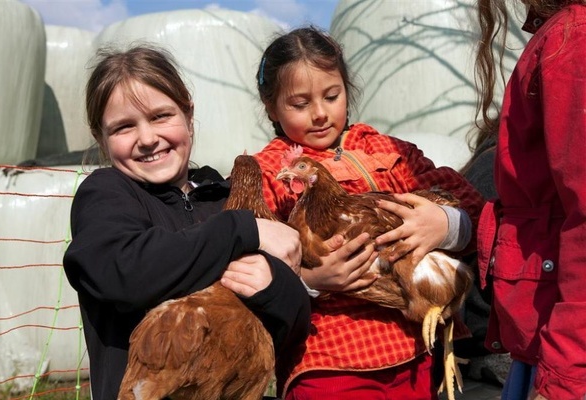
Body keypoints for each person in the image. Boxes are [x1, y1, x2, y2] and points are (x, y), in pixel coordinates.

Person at [62, 45, 312, 399]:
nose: (147, 139)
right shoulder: (106, 195)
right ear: (100, 137)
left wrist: (274, 288)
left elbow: (297, 319)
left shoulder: (224, 198)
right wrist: (242, 231)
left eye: (161, 116)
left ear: (188, 115)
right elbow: (125, 271)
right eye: (123, 127)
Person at [252, 26, 485, 399]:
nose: (319, 114)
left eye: (332, 95)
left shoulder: (389, 152)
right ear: (271, 106)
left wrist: (445, 225)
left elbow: (478, 211)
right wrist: (310, 279)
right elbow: (249, 261)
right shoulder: (268, 171)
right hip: (327, 358)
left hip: (413, 351)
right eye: (299, 104)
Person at [475, 1, 586, 399]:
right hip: (548, 339)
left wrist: (564, 380)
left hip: (562, 351)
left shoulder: (571, 38)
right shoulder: (561, 34)